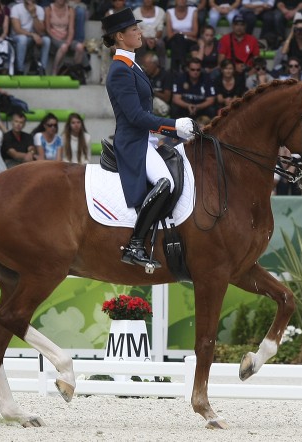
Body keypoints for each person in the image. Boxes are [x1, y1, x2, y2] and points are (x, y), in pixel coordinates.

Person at [101, 8, 196, 268]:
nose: (140, 32)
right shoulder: (120, 69)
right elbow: (135, 116)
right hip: (133, 142)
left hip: (147, 140)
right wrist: (173, 125)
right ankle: (135, 244)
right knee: (165, 182)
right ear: (120, 36)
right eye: (134, 30)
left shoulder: (131, 63)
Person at [45, 0, 89, 75]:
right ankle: (54, 70)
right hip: (53, 38)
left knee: (80, 47)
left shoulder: (70, 9)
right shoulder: (48, 9)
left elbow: (71, 29)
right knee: (63, 47)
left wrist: (68, 42)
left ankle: (75, 70)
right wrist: (56, 38)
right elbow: (47, 29)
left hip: (66, 38)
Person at [10, 0, 50, 75]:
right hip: (17, 37)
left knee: (46, 40)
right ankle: (20, 70)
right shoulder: (16, 8)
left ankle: (42, 70)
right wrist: (32, 35)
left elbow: (41, 31)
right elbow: (17, 30)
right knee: (23, 39)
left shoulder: (40, 9)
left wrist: (34, 14)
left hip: (32, 38)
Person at [165, 0, 199, 72]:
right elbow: (169, 35)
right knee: (178, 39)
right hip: (173, 40)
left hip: (189, 41)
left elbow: (195, 32)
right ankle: (183, 64)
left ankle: (174, 69)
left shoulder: (193, 11)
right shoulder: (169, 12)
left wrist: (179, 34)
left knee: (178, 40)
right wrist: (182, 35)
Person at [133, 0, 166, 67]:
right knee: (140, 44)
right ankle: (139, 68)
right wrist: (145, 39)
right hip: (141, 37)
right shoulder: (135, 12)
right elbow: (136, 29)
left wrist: (155, 39)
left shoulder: (160, 11)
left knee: (160, 44)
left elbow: (160, 29)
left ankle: (161, 68)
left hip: (156, 37)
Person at [141, 51, 172, 117]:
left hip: (160, 102)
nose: (145, 69)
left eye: (146, 66)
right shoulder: (144, 75)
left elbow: (167, 98)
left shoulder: (166, 75)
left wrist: (152, 91)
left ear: (155, 64)